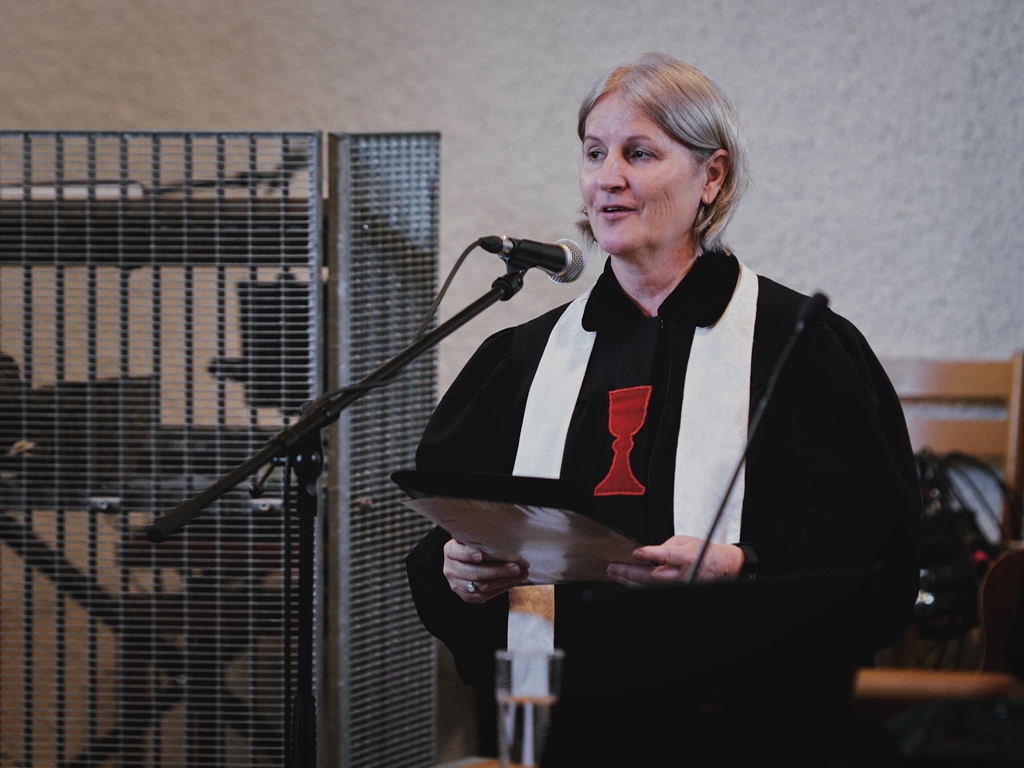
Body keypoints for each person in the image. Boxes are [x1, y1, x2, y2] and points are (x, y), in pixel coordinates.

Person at [405, 52, 921, 765]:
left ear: (712, 177)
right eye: (594, 153)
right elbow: (447, 536)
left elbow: (875, 555)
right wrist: (460, 571)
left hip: (761, 728)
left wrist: (740, 566)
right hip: (573, 728)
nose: (607, 177)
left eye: (639, 153)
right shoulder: (523, 359)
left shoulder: (800, 347)